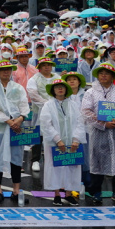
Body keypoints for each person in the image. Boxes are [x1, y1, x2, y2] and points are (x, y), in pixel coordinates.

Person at [80, 63, 115, 206]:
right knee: (97, 160)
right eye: (101, 73)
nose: (103, 75)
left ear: (112, 76)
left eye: (107, 73)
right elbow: (86, 112)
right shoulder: (90, 92)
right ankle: (96, 192)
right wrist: (102, 124)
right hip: (98, 133)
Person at [0, 60, 29, 205]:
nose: (6, 72)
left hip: (17, 127)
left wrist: (20, 118)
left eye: (8, 69)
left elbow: (24, 105)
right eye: (3, 69)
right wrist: (9, 121)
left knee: (17, 157)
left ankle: (16, 190)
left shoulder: (18, 88)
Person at [38, 78, 83, 206]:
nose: (60, 89)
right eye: (57, 87)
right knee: (55, 166)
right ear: (53, 90)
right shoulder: (48, 105)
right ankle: (57, 194)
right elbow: (46, 124)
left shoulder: (73, 105)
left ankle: (69, 194)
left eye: (62, 86)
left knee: (71, 166)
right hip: (54, 143)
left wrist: (76, 140)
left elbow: (80, 122)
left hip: (72, 143)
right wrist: (57, 139)